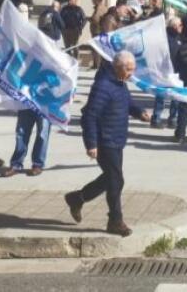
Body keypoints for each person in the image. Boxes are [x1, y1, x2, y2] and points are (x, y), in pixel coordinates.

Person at [66, 51, 150, 237]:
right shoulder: (103, 86)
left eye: (132, 70)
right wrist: (91, 144)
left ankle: (77, 198)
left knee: (112, 178)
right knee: (116, 180)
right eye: (129, 70)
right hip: (105, 140)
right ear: (118, 67)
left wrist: (139, 112)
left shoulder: (120, 83)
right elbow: (90, 116)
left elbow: (127, 102)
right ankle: (115, 221)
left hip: (117, 138)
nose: (131, 74)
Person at [3, 104, 52, 177]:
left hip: (45, 104)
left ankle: (38, 165)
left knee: (42, 135)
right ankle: (16, 165)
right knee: (21, 133)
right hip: (26, 103)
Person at [153, 16, 183, 129]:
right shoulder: (164, 38)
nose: (182, 27)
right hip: (164, 71)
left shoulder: (180, 38)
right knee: (161, 95)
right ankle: (156, 118)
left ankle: (173, 118)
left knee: (176, 96)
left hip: (177, 72)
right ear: (175, 26)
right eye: (180, 25)